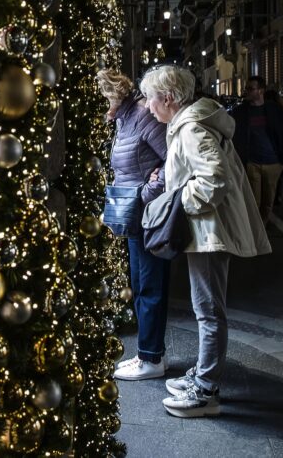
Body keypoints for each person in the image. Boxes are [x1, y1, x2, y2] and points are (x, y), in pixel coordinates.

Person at [140, 65, 272, 418]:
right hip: (205, 231)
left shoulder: (191, 128)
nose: (148, 105)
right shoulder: (190, 123)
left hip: (208, 233)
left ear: (168, 98)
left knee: (209, 311)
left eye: (151, 98)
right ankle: (203, 375)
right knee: (208, 309)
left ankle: (206, 390)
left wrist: (177, 203)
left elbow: (213, 179)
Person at [95, 70, 170, 381]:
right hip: (135, 217)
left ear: (112, 97)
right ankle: (148, 354)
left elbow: (173, 161)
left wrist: (146, 192)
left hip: (148, 215)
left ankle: (151, 358)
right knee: (141, 284)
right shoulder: (126, 119)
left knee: (150, 285)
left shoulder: (142, 117)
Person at [231, 76, 283, 224]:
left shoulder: (275, 110)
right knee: (253, 202)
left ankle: (262, 230)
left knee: (268, 202)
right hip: (252, 163)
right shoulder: (240, 112)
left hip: (273, 163)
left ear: (260, 91)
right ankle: (254, 233)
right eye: (246, 89)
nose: (247, 91)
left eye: (251, 89)